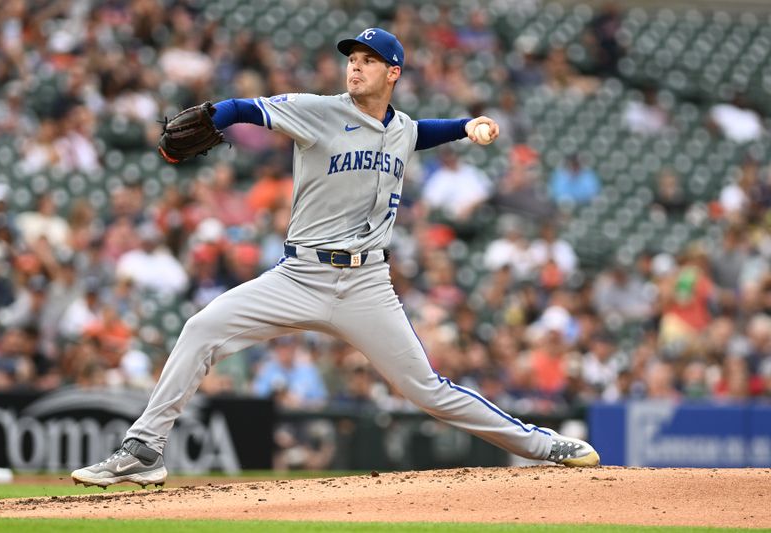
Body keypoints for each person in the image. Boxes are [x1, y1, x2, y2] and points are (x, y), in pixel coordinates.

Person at [72, 28, 599, 489]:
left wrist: (466, 126)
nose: (355, 65)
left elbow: (420, 133)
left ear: (393, 72)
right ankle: (143, 450)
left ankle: (541, 445)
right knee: (201, 329)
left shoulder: (401, 128)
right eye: (351, 58)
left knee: (428, 390)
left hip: (367, 284)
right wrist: (216, 115)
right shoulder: (317, 111)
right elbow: (246, 108)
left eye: (368, 60)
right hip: (299, 275)